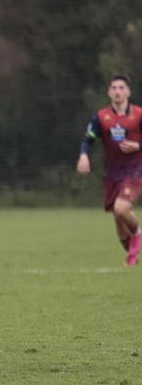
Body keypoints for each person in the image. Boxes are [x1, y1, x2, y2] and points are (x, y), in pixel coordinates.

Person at [77, 75, 142, 266]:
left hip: (135, 171)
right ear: (109, 92)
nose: (117, 91)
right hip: (112, 174)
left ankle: (137, 234)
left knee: (121, 208)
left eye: (121, 88)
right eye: (114, 88)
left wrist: (138, 146)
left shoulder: (139, 115)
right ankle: (133, 257)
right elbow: (87, 139)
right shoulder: (101, 117)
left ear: (128, 92)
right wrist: (83, 155)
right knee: (118, 221)